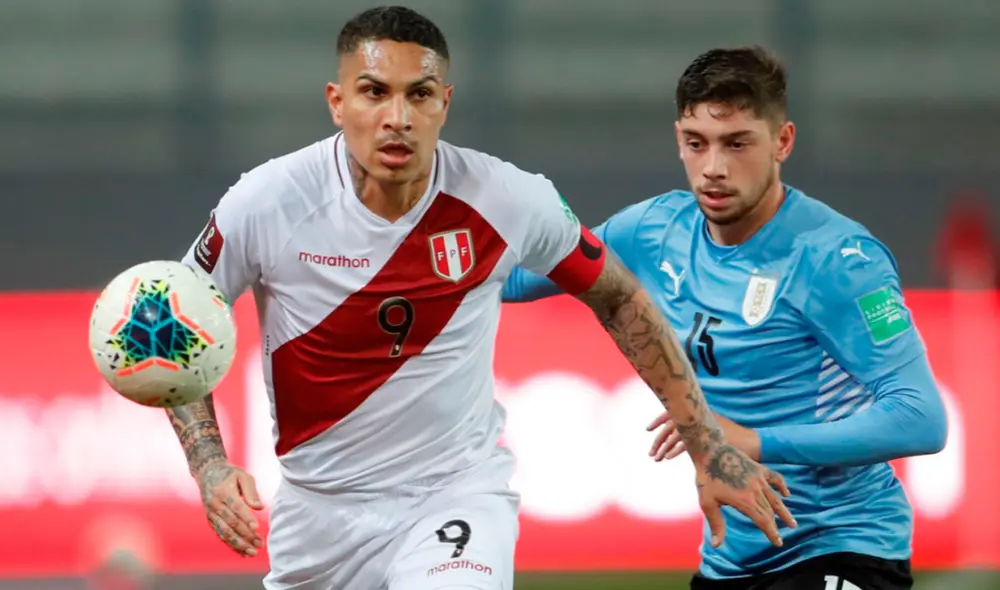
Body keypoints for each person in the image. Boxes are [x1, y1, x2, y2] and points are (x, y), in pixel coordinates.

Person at [166, 8, 794, 590]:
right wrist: (211, 466)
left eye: (419, 94)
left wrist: (706, 443)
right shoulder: (268, 202)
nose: (398, 118)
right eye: (374, 92)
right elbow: (175, 322)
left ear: (445, 102)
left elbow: (619, 297)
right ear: (337, 102)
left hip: (453, 497)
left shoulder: (506, 199)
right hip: (318, 516)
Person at [503, 46, 947, 590]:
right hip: (732, 559)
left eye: (737, 143)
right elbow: (520, 279)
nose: (714, 167)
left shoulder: (837, 259)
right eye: (697, 144)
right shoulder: (652, 230)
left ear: (782, 142)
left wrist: (753, 441)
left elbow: (921, 418)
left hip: (841, 545)